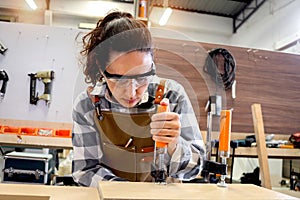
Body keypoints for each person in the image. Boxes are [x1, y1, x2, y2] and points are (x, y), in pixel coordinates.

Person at [72, 11, 205, 187]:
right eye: (119, 80)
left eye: (142, 77)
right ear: (102, 70)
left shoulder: (172, 96)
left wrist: (174, 144)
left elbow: (195, 169)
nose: (131, 92)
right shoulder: (87, 105)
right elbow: (85, 171)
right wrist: (127, 192)